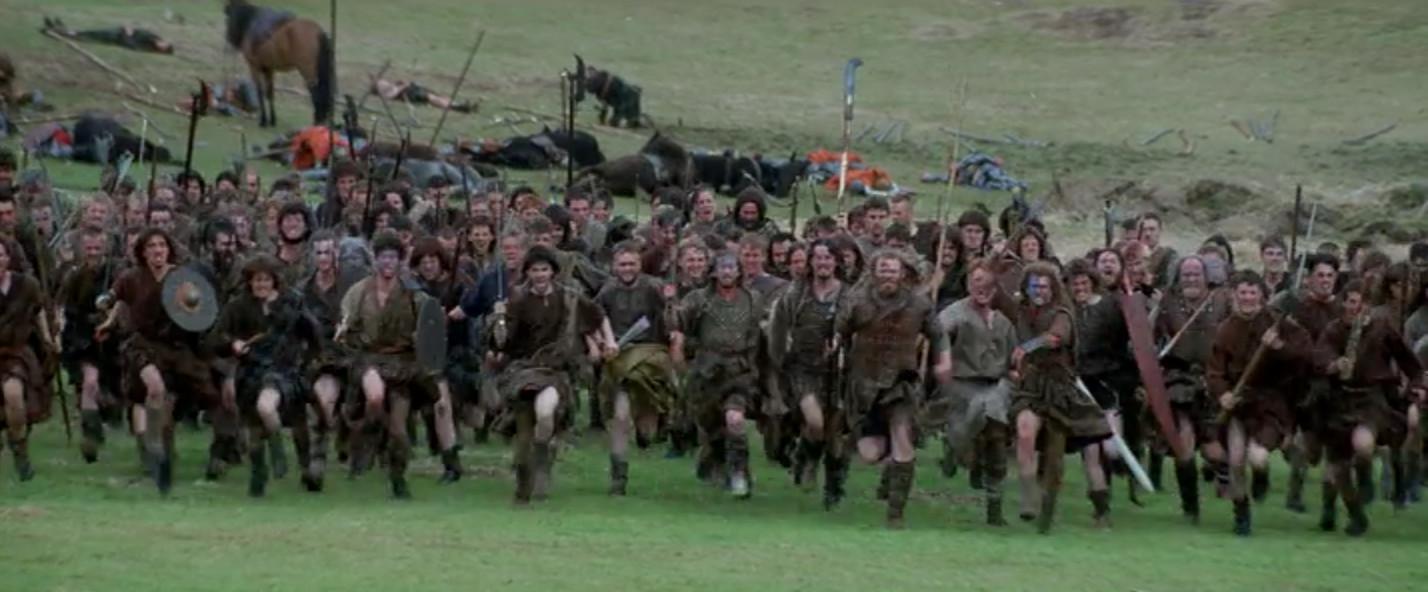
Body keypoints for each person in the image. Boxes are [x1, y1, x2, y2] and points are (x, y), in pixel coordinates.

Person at [96, 229, 221, 495]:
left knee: (174, 404)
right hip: (141, 344)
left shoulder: (182, 277)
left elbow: (198, 308)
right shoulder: (131, 277)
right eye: (151, 246)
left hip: (175, 348)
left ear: (168, 249)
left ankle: (164, 455)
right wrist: (108, 318)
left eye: (162, 245)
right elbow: (118, 299)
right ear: (143, 252)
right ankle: (153, 448)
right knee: (154, 387)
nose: (157, 250)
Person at [834, 248, 951, 528]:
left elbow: (938, 335)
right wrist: (836, 350)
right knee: (869, 454)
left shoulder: (919, 304)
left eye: (893, 270)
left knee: (902, 438)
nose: (888, 275)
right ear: (874, 273)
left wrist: (944, 361)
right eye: (883, 270)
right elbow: (840, 331)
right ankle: (890, 462)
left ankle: (895, 514)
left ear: (903, 274)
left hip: (901, 382)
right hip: (865, 387)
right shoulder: (857, 301)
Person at [336, 231, 451, 498]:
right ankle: (366, 436)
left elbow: (430, 330)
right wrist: (342, 329)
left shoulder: (414, 295)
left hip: (402, 364)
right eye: (383, 257)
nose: (388, 262)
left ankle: (398, 478)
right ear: (375, 259)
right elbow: (345, 322)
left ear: (400, 261)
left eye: (393, 257)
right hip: (368, 358)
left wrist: (433, 325)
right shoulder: (359, 292)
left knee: (399, 429)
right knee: (375, 397)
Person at [488, 246, 607, 504]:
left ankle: (543, 454)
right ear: (528, 273)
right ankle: (523, 492)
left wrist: (605, 342)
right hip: (522, 372)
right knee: (523, 443)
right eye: (535, 270)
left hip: (555, 371)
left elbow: (597, 317)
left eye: (544, 269)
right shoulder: (517, 300)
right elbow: (503, 343)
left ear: (553, 271)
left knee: (545, 413)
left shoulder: (569, 298)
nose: (540, 275)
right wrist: (499, 319)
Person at [1207, 270, 1313, 536]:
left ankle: (1261, 479)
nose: (1247, 298)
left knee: (1258, 458)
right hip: (1238, 402)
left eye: (1252, 292)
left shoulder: (1278, 323)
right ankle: (1241, 515)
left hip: (1270, 404)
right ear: (1234, 295)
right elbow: (1215, 371)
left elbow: (1305, 357)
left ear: (1262, 296)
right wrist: (1223, 394)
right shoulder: (1225, 329)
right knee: (1235, 461)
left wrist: (1278, 347)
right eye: (1242, 292)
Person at [1316, 279, 1424, 536]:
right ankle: (1353, 515)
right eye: (1352, 302)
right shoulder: (1334, 330)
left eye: (1362, 303)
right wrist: (1334, 365)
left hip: (1371, 399)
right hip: (1338, 400)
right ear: (1344, 303)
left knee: (1363, 443)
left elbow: (1409, 362)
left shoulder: (1381, 329)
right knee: (1337, 471)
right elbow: (1319, 357)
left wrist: (1417, 385)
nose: (1356, 308)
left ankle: (1365, 479)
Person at [1010, 262, 1111, 533]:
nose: (1039, 291)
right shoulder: (1020, 310)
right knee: (1024, 431)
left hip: (1058, 390)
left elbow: (1055, 338)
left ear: (1053, 288)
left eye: (1044, 286)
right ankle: (1028, 495)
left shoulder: (1062, 313)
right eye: (1034, 286)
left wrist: (1027, 347)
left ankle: (1054, 513)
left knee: (1056, 458)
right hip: (1030, 387)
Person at [210, 256, 321, 496]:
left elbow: (314, 335)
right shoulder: (237, 306)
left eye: (266, 280)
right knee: (254, 430)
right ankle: (258, 476)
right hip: (251, 372)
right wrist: (233, 344)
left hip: (285, 371)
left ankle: (297, 464)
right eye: (256, 280)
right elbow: (216, 338)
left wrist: (307, 363)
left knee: (272, 410)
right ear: (249, 282)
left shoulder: (292, 303)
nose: (261, 285)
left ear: (275, 281)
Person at [673, 251, 766, 498]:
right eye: (722, 267)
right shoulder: (698, 299)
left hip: (739, 371)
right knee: (713, 428)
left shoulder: (753, 299)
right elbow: (678, 323)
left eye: (731, 267)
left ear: (739, 271)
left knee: (735, 420)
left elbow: (763, 331)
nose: (727, 272)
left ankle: (739, 473)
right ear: (714, 271)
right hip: (707, 373)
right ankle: (715, 461)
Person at [767, 239, 848, 508]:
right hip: (802, 367)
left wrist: (842, 343)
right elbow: (778, 328)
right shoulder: (796, 295)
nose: (823, 263)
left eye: (828, 257)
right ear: (811, 262)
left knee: (834, 431)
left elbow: (857, 326)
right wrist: (779, 360)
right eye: (818, 258)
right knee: (815, 422)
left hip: (837, 371)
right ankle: (808, 455)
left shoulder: (848, 295)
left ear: (836, 261)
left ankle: (833, 488)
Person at [595, 241, 678, 496]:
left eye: (632, 264)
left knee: (647, 431)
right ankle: (618, 478)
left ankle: (652, 426)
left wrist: (670, 304)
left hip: (650, 361)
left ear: (640, 265)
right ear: (614, 266)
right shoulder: (607, 291)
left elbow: (672, 323)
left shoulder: (654, 287)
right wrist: (603, 343)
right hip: (620, 361)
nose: (627, 269)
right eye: (622, 264)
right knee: (620, 417)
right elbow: (594, 319)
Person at [937, 261, 1016, 525]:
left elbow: (1013, 358)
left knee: (996, 434)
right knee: (963, 435)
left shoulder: (1003, 322)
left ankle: (995, 507)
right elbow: (938, 333)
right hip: (962, 386)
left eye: (988, 283)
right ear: (969, 284)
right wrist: (943, 358)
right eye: (977, 282)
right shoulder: (956, 313)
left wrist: (1017, 369)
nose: (982, 288)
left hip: (995, 386)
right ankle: (956, 450)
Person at [1154, 255, 1231, 522]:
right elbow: (1150, 338)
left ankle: (1226, 473)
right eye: (1186, 274)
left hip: (1213, 380)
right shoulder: (1167, 303)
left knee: (1212, 449)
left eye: (1196, 274)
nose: (1191, 279)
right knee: (1183, 442)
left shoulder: (1222, 301)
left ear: (1206, 277)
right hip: (1178, 379)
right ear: (1178, 277)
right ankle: (1191, 508)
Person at [56, 225, 122, 463]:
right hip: (83, 339)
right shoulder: (74, 276)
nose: (93, 253)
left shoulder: (117, 273)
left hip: (114, 340)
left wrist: (110, 320)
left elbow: (125, 303)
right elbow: (63, 305)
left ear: (105, 247)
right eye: (89, 248)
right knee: (90, 382)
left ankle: (107, 418)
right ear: (82, 248)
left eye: (97, 248)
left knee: (112, 394)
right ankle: (90, 437)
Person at [0, 239, 57, 481]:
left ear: (8, 257)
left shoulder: (26, 284)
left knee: (14, 396)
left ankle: (20, 450)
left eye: (0, 255)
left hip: (17, 352)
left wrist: (48, 338)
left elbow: (39, 309)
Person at [42, 17, 174, 54]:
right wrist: (131, 28)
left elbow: (130, 45)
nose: (162, 43)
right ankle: (61, 29)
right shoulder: (155, 37)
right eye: (164, 43)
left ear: (161, 50)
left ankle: (58, 32)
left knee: (89, 35)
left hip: (116, 37)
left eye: (163, 46)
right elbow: (141, 32)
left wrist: (128, 33)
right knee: (89, 33)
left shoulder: (147, 47)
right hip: (119, 31)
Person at [371, 78, 475, 113]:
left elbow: (394, 86)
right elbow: (393, 94)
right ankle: (455, 107)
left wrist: (401, 83)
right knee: (431, 98)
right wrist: (402, 86)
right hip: (408, 94)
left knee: (436, 96)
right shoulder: (384, 92)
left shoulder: (384, 85)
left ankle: (459, 105)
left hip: (411, 90)